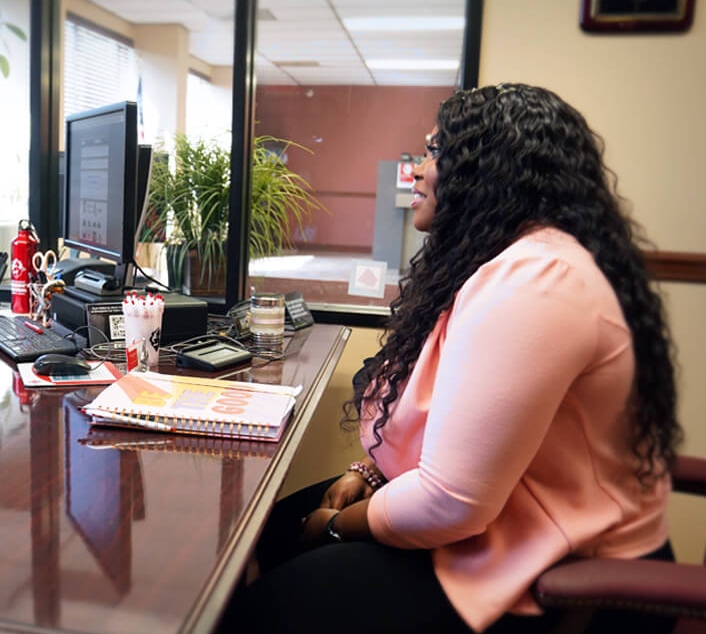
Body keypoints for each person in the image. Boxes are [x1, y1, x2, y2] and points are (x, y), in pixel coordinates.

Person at [220, 84, 680, 633]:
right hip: (505, 519)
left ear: (490, 168)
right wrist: (368, 471)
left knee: (261, 607)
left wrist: (339, 527)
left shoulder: (537, 281)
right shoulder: (496, 262)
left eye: (435, 153)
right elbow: (452, 426)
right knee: (273, 531)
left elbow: (451, 502)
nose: (415, 170)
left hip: (556, 572)